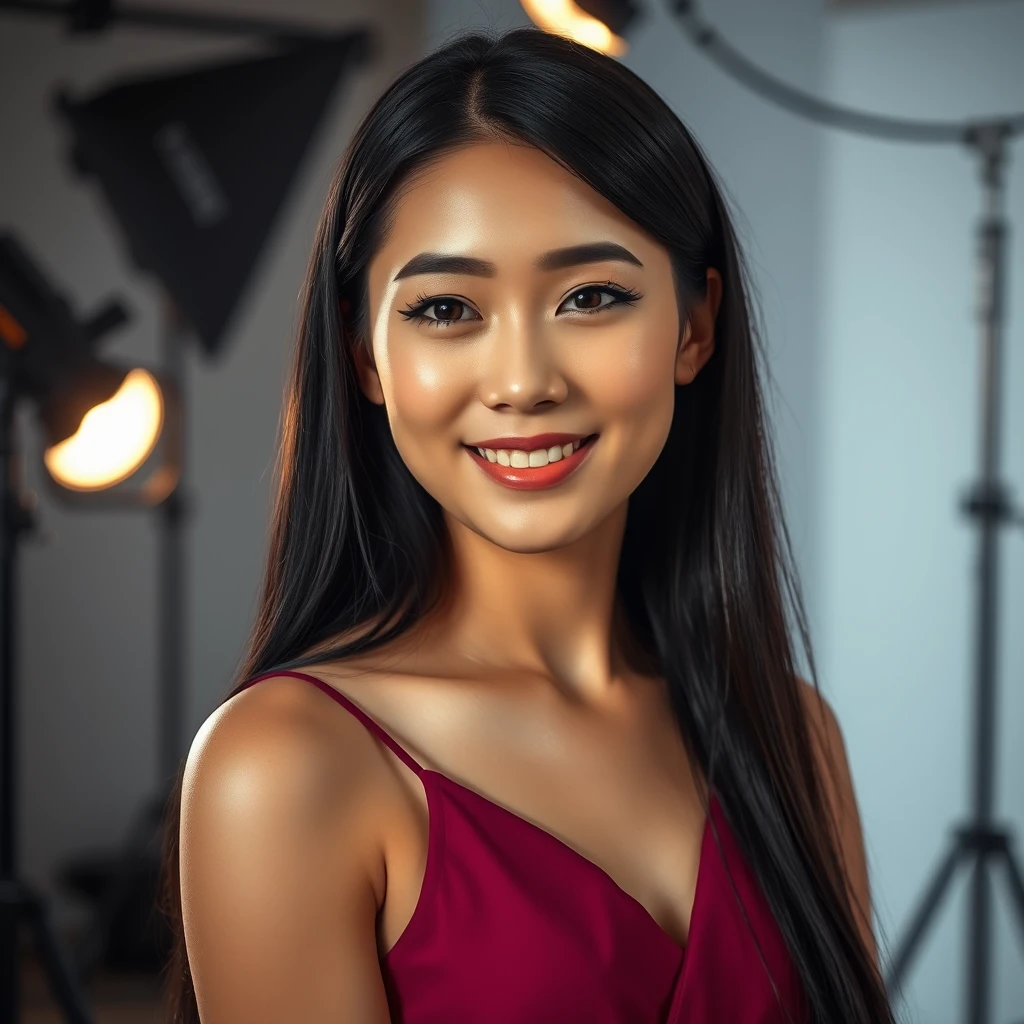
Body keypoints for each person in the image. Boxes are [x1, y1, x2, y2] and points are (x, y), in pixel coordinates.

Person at [159, 26, 894, 1024]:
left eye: (591, 296)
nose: (522, 382)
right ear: (364, 356)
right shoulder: (285, 766)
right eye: (447, 310)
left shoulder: (797, 738)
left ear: (693, 326)